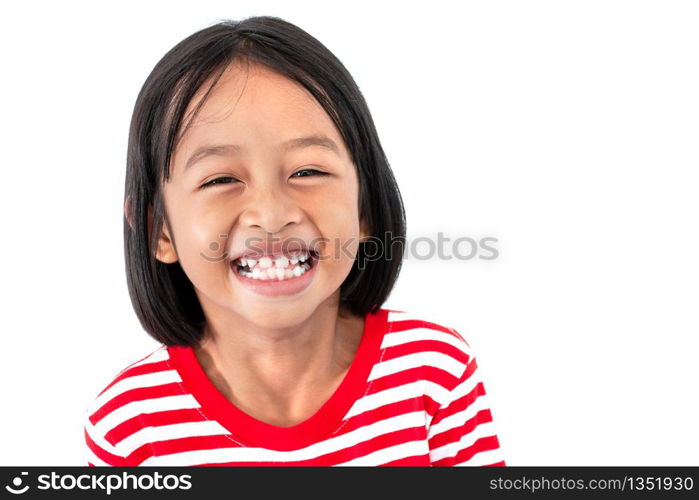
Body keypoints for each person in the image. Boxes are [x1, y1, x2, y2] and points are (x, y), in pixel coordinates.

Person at [84, 15, 505, 466]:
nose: (272, 213)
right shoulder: (131, 423)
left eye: (308, 171)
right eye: (221, 178)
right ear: (158, 230)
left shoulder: (434, 373)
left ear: (364, 208)